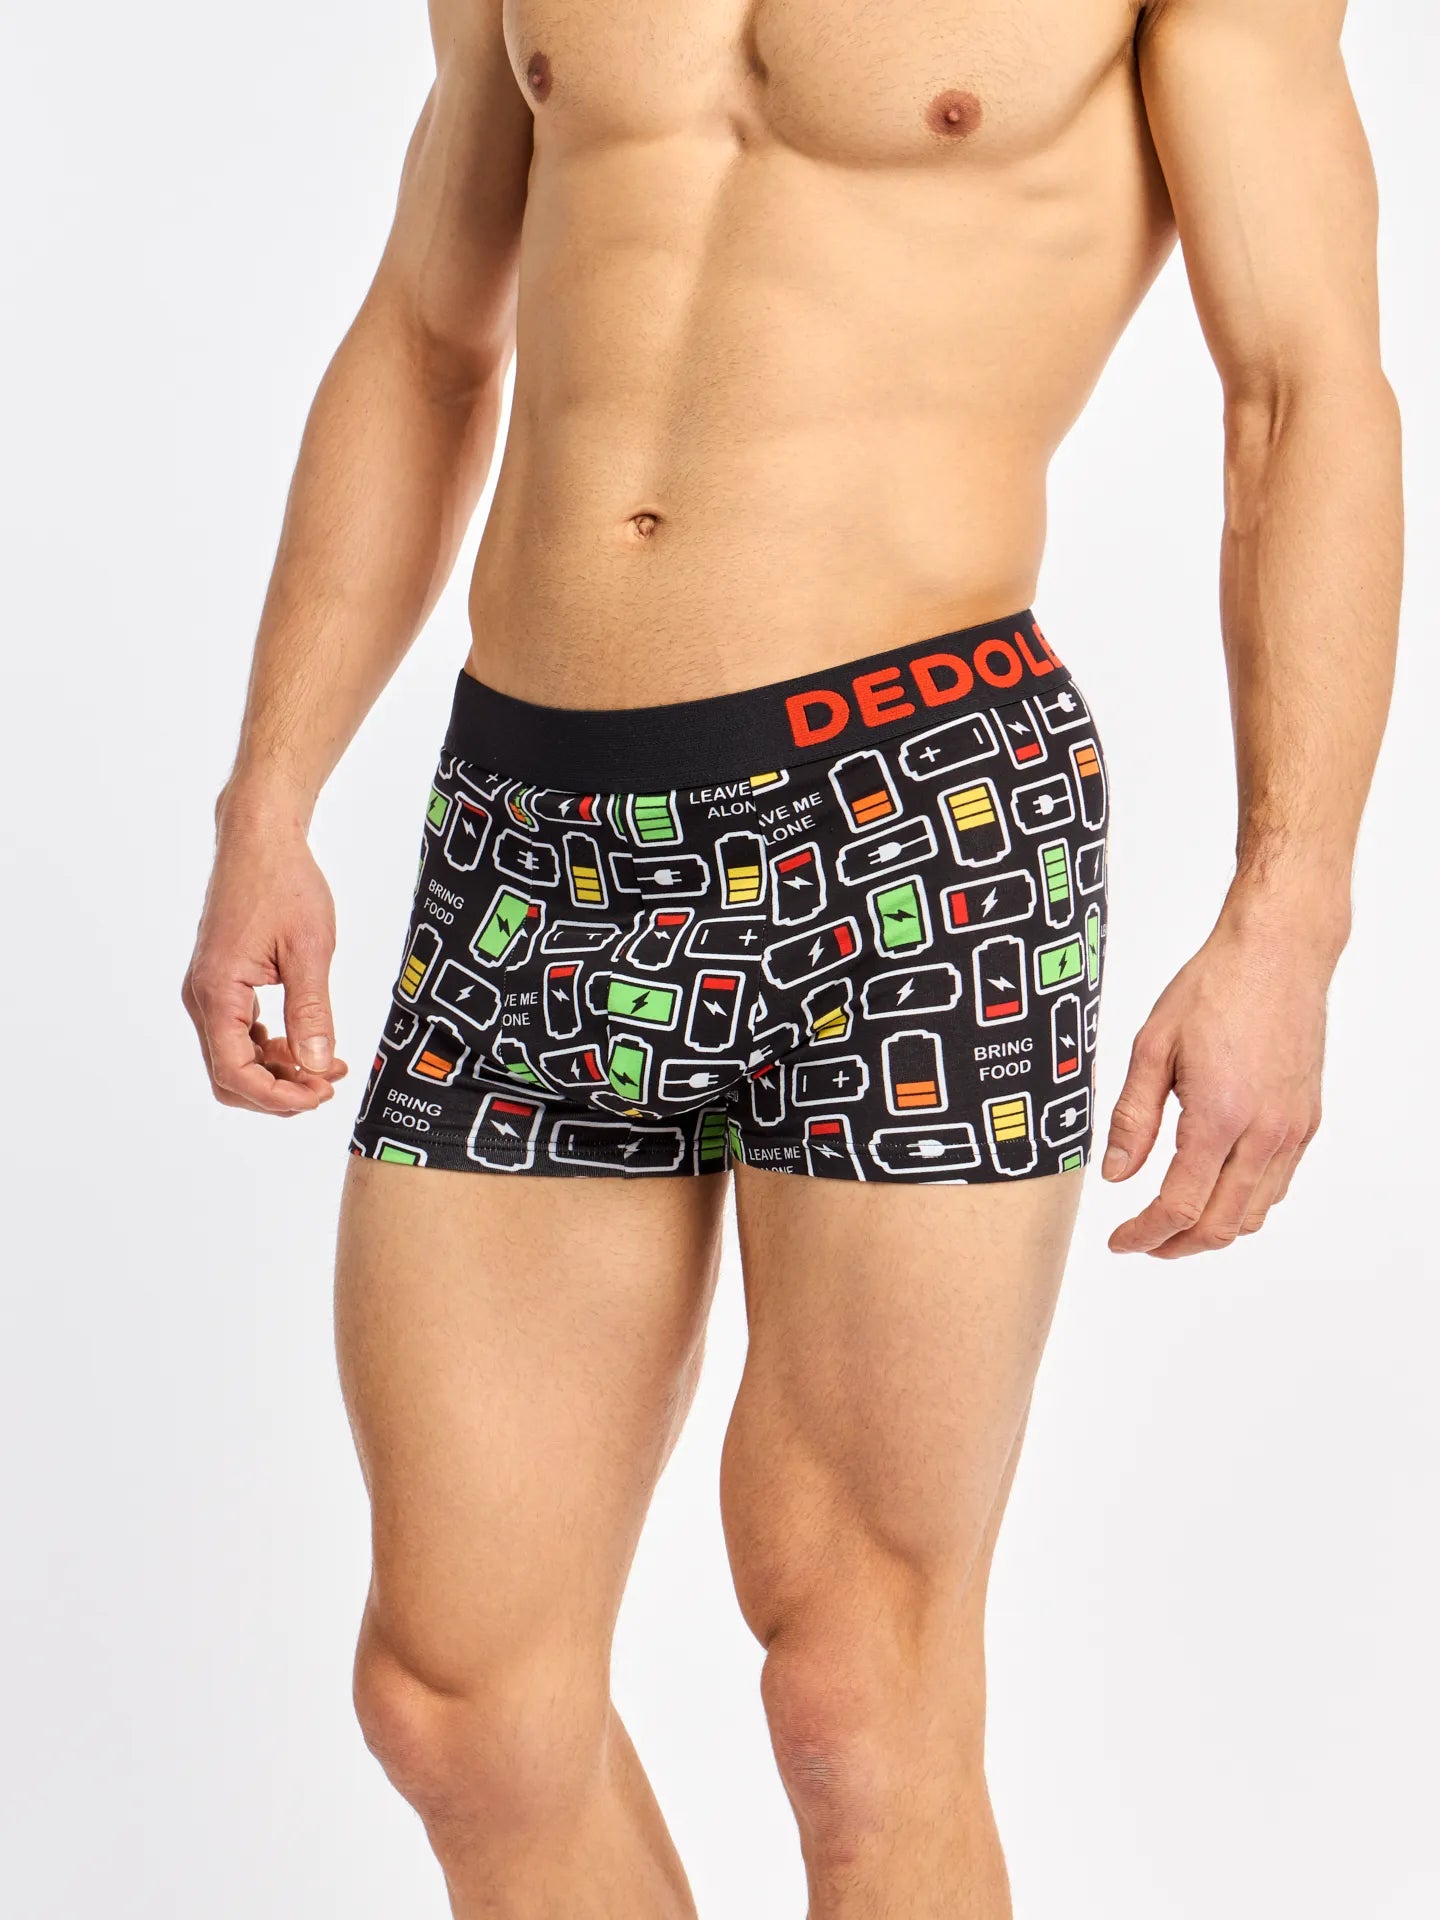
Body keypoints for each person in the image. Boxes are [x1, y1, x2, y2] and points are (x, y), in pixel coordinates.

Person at [182, 1, 1400, 1912]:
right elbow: (426, 332)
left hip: (912, 815)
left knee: (858, 1702)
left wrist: (1292, 909)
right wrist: (270, 794)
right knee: (458, 1707)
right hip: (532, 823)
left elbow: (1301, 390)